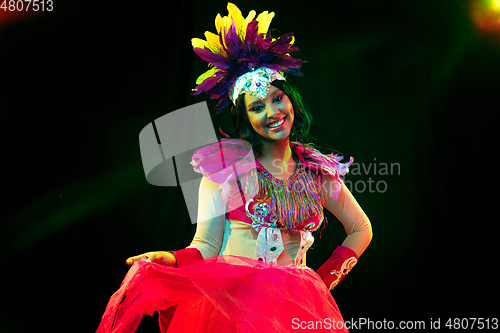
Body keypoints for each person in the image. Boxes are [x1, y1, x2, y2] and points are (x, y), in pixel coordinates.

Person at [96, 3, 372, 332]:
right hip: (229, 307)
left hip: (299, 308)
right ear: (245, 119)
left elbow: (361, 228)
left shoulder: (315, 172)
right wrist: (170, 259)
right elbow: (206, 247)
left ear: (290, 99)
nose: (272, 112)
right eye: (258, 107)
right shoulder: (225, 170)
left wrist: (321, 281)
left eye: (277, 98)